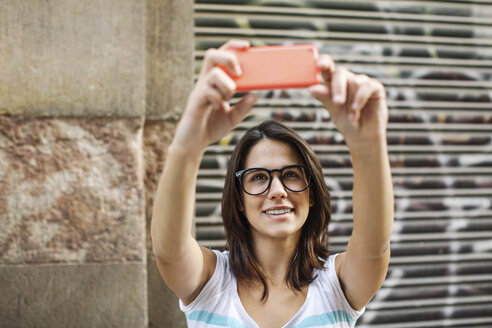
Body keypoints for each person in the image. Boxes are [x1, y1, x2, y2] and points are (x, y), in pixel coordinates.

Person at [151, 39, 394, 328]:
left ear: (312, 193)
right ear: (239, 200)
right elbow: (169, 250)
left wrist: (369, 144)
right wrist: (188, 145)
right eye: (258, 178)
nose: (277, 192)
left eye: (291, 174)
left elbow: (374, 248)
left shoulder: (338, 285)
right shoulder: (209, 284)